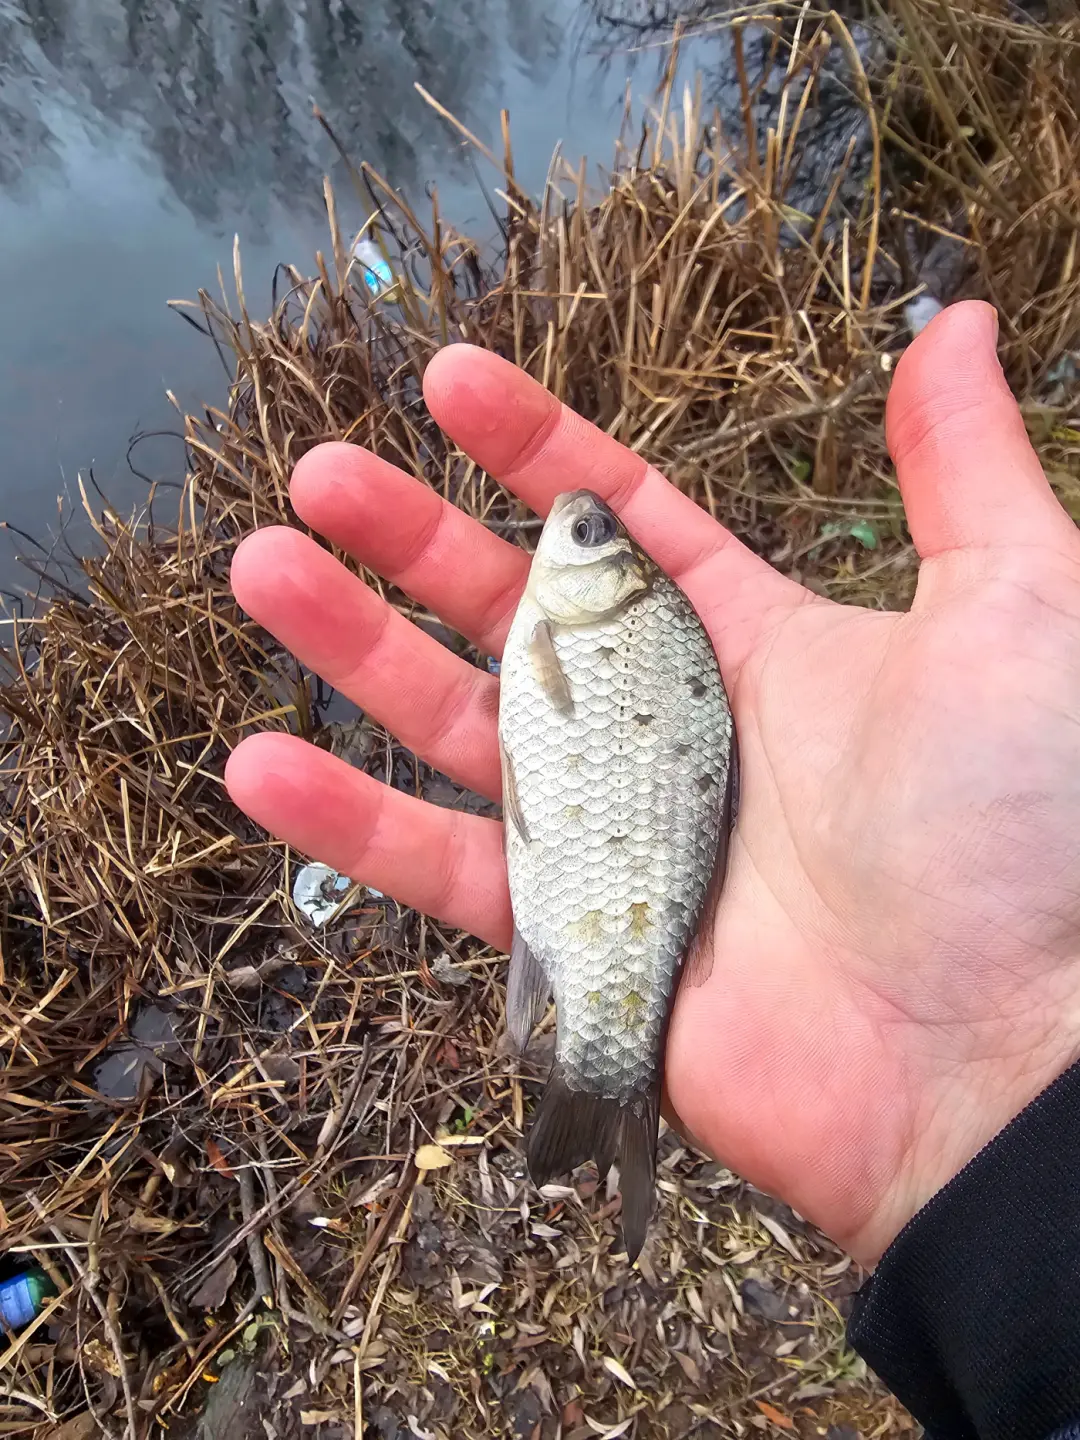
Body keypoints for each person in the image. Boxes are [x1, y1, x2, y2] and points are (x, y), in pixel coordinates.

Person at [225, 299, 1080, 1439]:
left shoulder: (596, 625)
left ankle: (603, 1084)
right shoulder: (596, 625)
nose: (568, 529)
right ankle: (603, 1093)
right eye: (591, 535)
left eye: (585, 538)